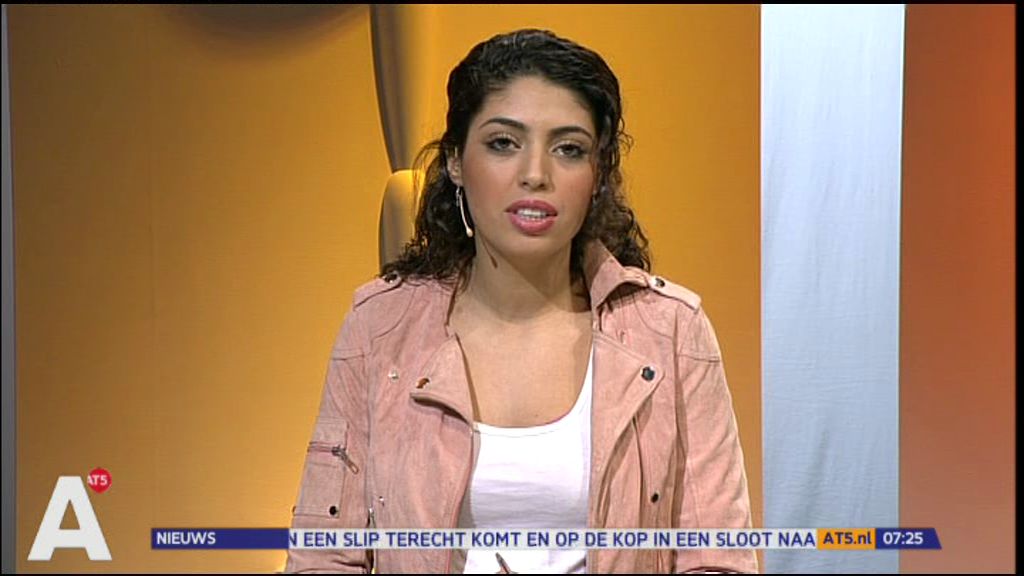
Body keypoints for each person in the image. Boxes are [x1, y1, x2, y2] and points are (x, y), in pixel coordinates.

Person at [285, 28, 756, 574]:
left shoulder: (671, 330)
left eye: (568, 149)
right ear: (456, 161)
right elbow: (324, 557)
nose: (535, 174)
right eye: (504, 143)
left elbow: (718, 559)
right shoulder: (379, 327)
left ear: (597, 175)